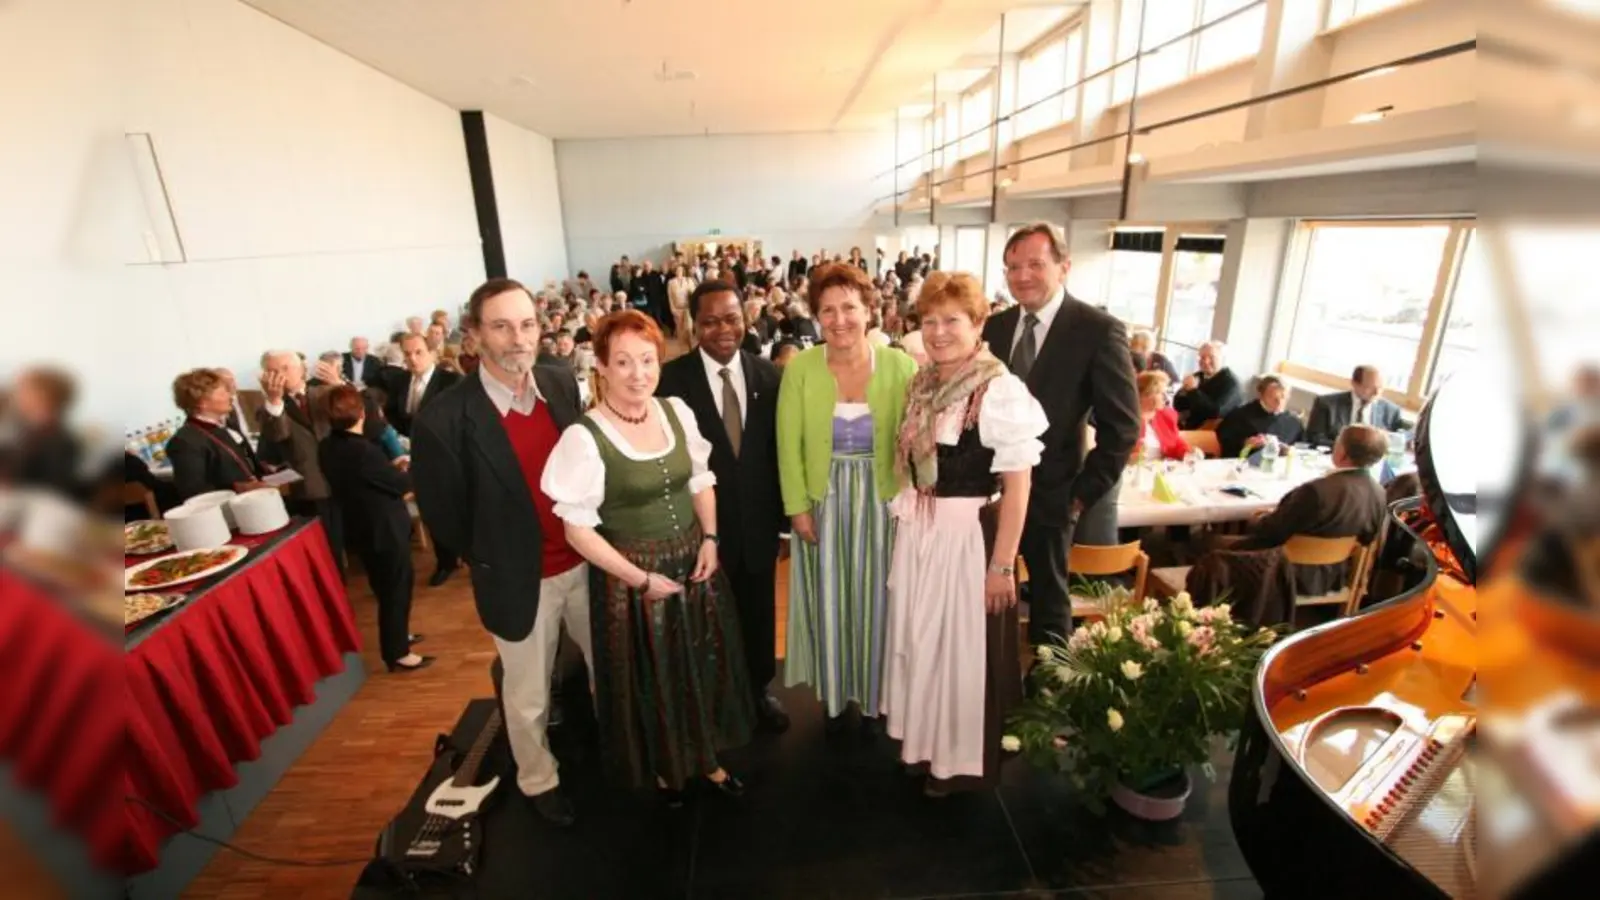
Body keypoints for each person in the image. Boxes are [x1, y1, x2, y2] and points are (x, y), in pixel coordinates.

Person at [543, 310, 754, 802]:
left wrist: (710, 539)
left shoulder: (675, 411)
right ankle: (666, 767)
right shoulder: (584, 436)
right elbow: (577, 530)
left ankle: (705, 759)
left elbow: (700, 480)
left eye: (646, 359)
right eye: (623, 362)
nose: (638, 373)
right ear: (600, 366)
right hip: (630, 577)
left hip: (692, 559)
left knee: (697, 665)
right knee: (652, 677)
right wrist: (639, 579)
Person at [411, 278, 592, 827]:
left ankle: (618, 753)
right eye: (502, 326)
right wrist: (497, 554)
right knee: (529, 695)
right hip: (520, 581)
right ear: (474, 337)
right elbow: (444, 516)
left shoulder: (562, 385)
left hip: (586, 564)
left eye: (528, 324)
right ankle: (539, 781)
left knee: (609, 670)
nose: (519, 338)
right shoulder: (443, 419)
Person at [883, 272, 1046, 796]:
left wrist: (1002, 566)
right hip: (922, 532)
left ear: (978, 324)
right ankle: (922, 744)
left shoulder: (998, 388)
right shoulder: (923, 382)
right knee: (919, 639)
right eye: (929, 321)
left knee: (956, 648)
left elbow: (1019, 487)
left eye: (952, 320)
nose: (938, 332)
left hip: (966, 537)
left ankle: (953, 760)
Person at [980, 223, 1140, 649]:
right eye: (1012, 267)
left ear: (1064, 267)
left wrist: (1081, 494)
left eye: (1035, 264)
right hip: (985, 493)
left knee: (1049, 606)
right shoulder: (994, 328)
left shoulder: (1097, 330)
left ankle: (1048, 702)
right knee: (982, 592)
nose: (1022, 275)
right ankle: (992, 686)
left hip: (1052, 496)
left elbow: (1122, 427)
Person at [776, 263, 917, 729]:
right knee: (832, 599)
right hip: (825, 501)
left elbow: (916, 439)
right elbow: (788, 443)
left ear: (868, 309)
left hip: (883, 502)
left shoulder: (899, 364)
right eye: (828, 310)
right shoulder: (801, 369)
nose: (840, 320)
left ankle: (877, 688)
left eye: (849, 308)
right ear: (816, 316)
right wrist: (798, 509)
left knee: (879, 597)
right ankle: (836, 691)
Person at [658, 281, 790, 734]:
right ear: (694, 324)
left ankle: (757, 690)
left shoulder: (770, 377)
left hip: (758, 525)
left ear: (745, 318)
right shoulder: (670, 381)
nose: (723, 329)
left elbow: (779, 454)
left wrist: (786, 522)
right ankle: (712, 698)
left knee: (757, 614)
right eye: (710, 320)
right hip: (700, 532)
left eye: (731, 317)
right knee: (705, 619)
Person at [318, 385, 430, 673]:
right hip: (384, 527)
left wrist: (390, 469)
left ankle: (397, 636)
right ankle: (398, 653)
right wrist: (406, 468)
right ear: (362, 413)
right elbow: (401, 486)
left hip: (359, 525)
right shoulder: (364, 451)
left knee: (383, 586)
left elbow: (368, 480)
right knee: (396, 587)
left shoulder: (328, 446)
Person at [1235, 424, 1388, 597]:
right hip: (1333, 575)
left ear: (1342, 453)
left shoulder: (1316, 491)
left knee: (1210, 548)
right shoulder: (1380, 493)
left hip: (1284, 573)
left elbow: (1270, 533)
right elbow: (1368, 540)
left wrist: (1258, 517)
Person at [258, 350, 346, 571]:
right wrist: (275, 400)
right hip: (311, 486)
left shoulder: (324, 393)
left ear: (301, 370)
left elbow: (356, 416)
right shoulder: (269, 408)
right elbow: (277, 435)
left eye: (285, 368)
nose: (280, 375)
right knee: (326, 549)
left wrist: (338, 386)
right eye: (273, 371)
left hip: (344, 476)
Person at [166, 368, 266, 501]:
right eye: (223, 392)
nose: (230, 396)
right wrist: (237, 488)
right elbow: (193, 491)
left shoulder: (227, 425)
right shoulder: (185, 441)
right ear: (202, 402)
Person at [1306, 364, 1404, 447]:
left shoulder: (1391, 411)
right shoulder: (1326, 404)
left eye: (1380, 388)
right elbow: (1315, 438)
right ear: (1354, 384)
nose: (1376, 393)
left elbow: (1402, 436)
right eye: (1370, 388)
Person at [1216, 374, 1305, 459]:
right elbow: (1224, 441)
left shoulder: (1294, 421)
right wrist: (1245, 443)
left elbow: (1303, 449)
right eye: (1273, 398)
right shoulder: (1240, 416)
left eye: (1283, 397)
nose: (1279, 403)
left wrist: (1289, 451)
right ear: (1260, 395)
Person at [1172, 340, 1242, 429]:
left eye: (1211, 357)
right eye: (1202, 357)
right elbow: (1178, 405)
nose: (1206, 361)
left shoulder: (1231, 383)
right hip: (1188, 426)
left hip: (1212, 433)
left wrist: (1193, 391)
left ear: (1222, 358)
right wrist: (1184, 391)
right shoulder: (1198, 376)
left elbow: (1215, 412)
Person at [1134, 371, 1190, 461]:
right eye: (1161, 393)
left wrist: (1187, 452)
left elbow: (1175, 442)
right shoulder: (1127, 418)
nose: (1166, 397)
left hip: (1160, 470)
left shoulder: (1165, 415)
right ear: (1147, 394)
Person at [667, 264, 695, 339]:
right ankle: (682, 348)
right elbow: (670, 297)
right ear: (675, 271)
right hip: (677, 309)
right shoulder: (671, 282)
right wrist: (672, 309)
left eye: (681, 270)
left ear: (683, 271)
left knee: (689, 329)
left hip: (688, 308)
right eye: (677, 270)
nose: (679, 271)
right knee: (680, 330)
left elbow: (694, 294)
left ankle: (690, 346)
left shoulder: (689, 280)